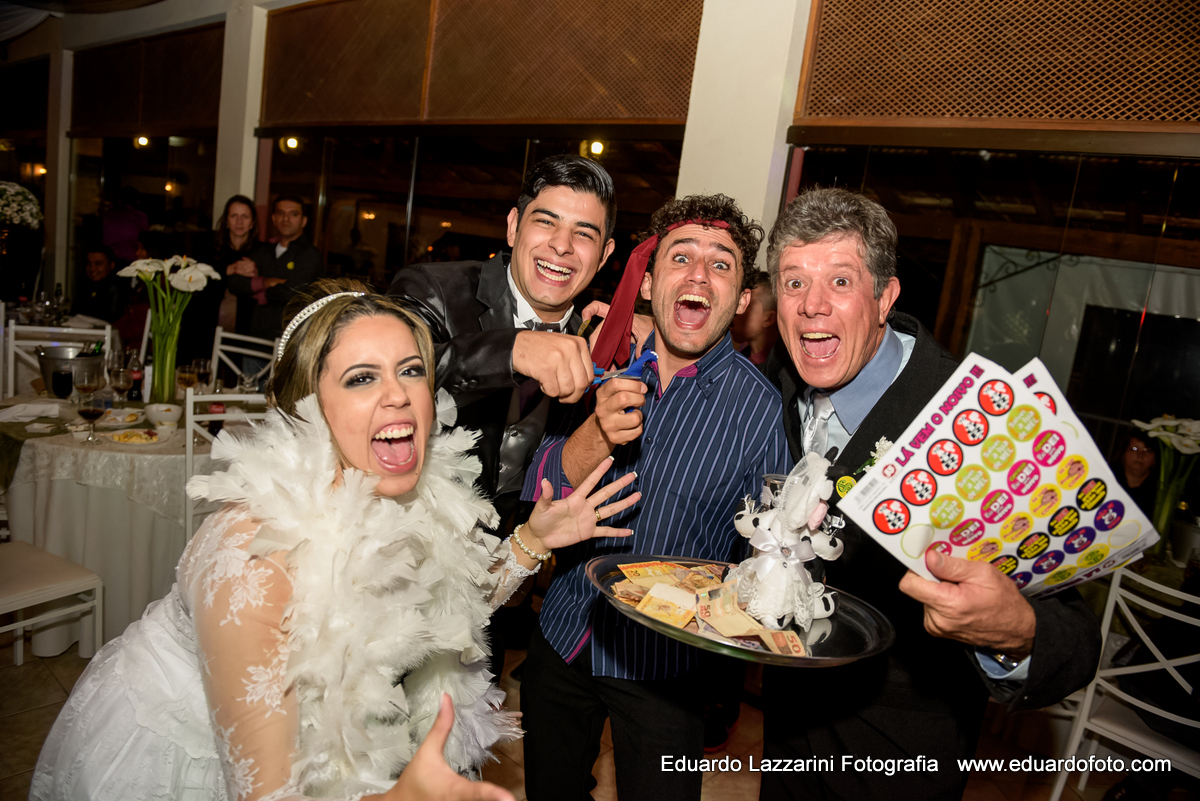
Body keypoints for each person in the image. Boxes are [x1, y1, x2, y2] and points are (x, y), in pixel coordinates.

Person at [31, 279, 641, 801]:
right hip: (182, 761)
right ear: (308, 407)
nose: (398, 394)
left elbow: (436, 613)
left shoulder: (403, 489)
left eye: (411, 371)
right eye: (360, 378)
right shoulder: (255, 556)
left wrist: (533, 537)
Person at [758, 187, 1101, 800]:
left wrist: (1014, 631)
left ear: (886, 297)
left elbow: (1074, 637)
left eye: (840, 281)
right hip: (786, 729)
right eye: (792, 283)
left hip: (900, 752)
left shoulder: (971, 419)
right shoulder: (782, 387)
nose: (812, 306)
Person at [518, 194, 792, 801]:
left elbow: (770, 556)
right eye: (681, 258)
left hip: (667, 670)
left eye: (721, 265)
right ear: (646, 284)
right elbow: (536, 490)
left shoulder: (761, 411)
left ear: (743, 300)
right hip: (566, 635)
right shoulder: (594, 364)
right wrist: (593, 431)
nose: (699, 275)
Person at [389, 155, 616, 678]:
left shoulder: (598, 334)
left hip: (495, 577)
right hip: (396, 559)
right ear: (514, 226)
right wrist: (511, 350)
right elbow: (392, 376)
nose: (561, 246)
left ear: (603, 256)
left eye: (583, 234)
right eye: (546, 222)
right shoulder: (432, 288)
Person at [227, 194, 324, 342]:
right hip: (255, 339)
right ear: (273, 219)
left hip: (291, 343)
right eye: (281, 213)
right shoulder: (263, 251)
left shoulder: (311, 255)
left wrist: (255, 291)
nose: (286, 219)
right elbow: (235, 283)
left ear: (303, 221)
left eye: (293, 214)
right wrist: (266, 283)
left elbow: (292, 293)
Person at [731, 270, 779, 368]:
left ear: (769, 319)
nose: (736, 310)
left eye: (748, 305)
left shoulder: (779, 369)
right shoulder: (739, 360)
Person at [73, 244, 128, 323]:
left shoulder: (118, 286)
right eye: (89, 264)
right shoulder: (84, 283)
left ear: (111, 265)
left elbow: (113, 318)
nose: (92, 269)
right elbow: (75, 312)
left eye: (98, 264)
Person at [1115, 431, 1158, 515]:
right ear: (1124, 454)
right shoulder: (1110, 478)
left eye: (1147, 450)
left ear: (1154, 459)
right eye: (1134, 449)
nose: (1140, 455)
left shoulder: (1159, 491)